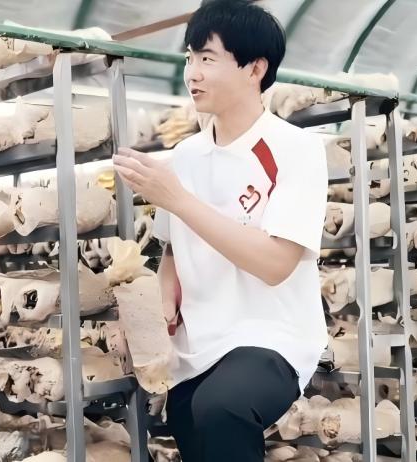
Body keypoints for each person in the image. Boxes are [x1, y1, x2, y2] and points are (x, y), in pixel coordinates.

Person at [113, 1, 328, 461]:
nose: (192, 73)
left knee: (222, 408)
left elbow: (276, 264)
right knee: (191, 423)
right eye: (190, 57)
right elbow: (173, 248)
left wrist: (178, 199)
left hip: (271, 338)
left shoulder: (297, 149)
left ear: (255, 69)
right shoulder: (187, 155)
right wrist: (164, 298)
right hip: (197, 344)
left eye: (208, 59)